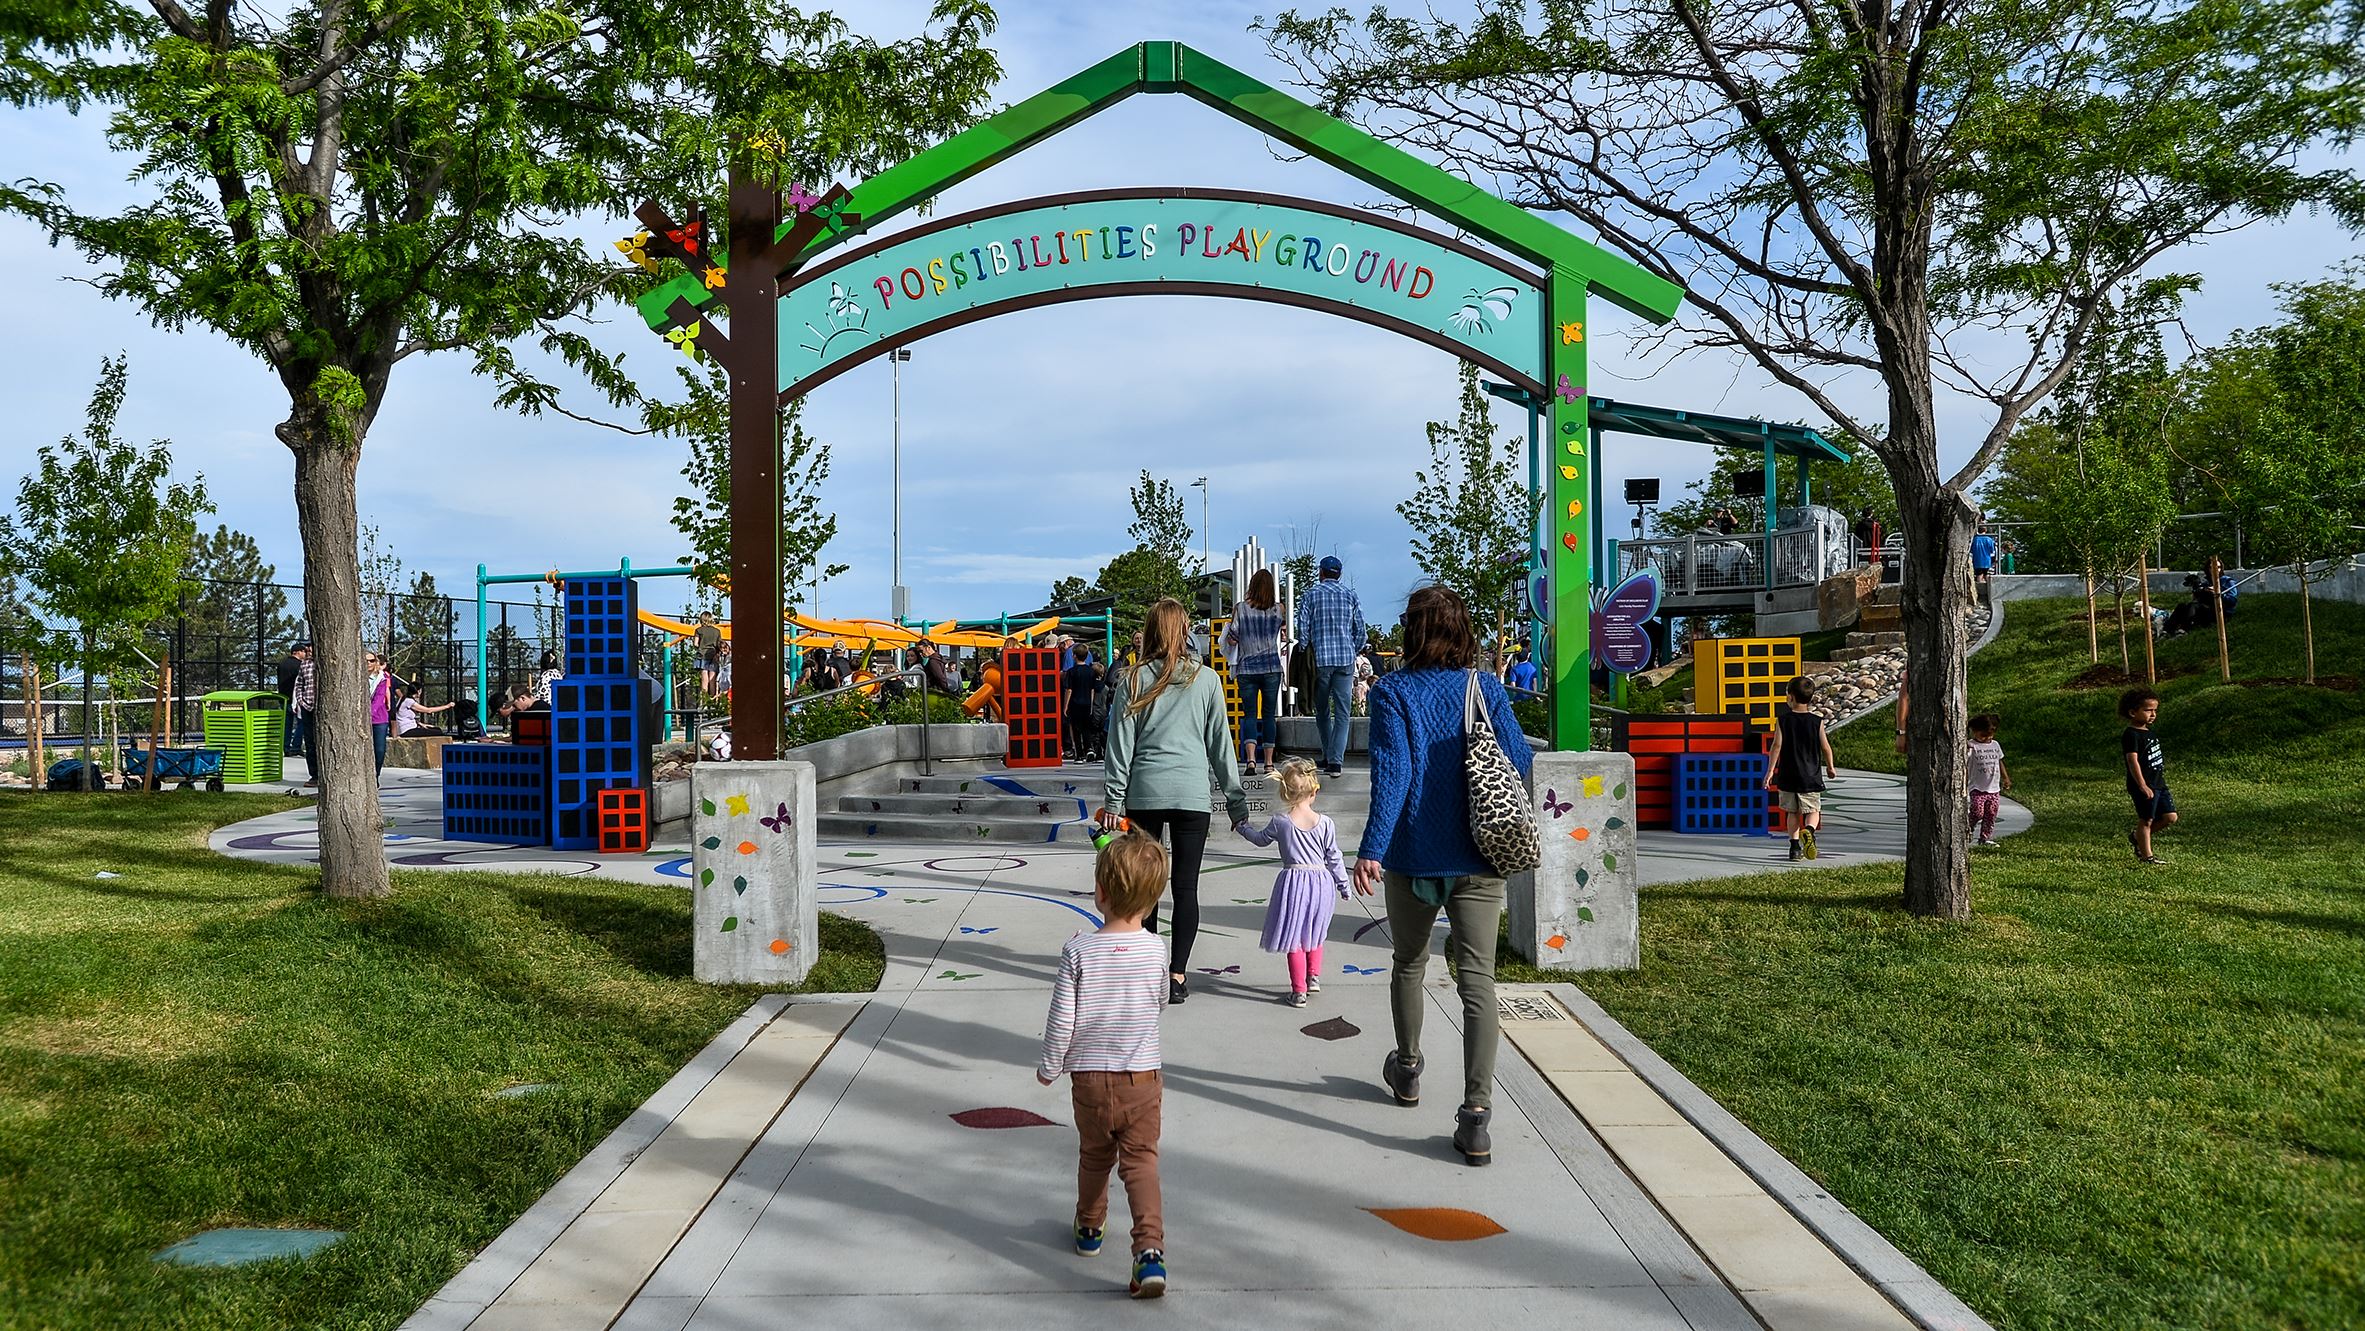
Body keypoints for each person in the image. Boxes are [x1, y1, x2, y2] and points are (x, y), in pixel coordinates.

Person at [1353, 584, 1533, 1167]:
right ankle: (1476, 1117)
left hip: (1413, 855)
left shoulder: (1392, 691)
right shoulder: (1486, 688)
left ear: (1413, 631)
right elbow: (1520, 761)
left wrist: (1372, 847)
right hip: (1480, 855)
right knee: (1477, 981)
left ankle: (1407, 1069)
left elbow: (1395, 773)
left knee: (1410, 963)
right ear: (1461, 632)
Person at [1036, 831, 1170, 1300]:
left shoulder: (1077, 951)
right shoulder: (1156, 949)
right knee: (1141, 1162)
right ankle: (1149, 1250)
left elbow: (1062, 1021)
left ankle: (1090, 1228)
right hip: (1142, 1078)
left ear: (1100, 893)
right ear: (1152, 902)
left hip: (1090, 1081)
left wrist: (1050, 1066)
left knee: (1095, 1155)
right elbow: (1160, 1001)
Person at [1098, 598, 1249, 1006]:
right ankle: (1177, 975)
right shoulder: (1206, 680)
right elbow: (1221, 746)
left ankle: (1145, 968)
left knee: (1143, 888)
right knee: (1186, 887)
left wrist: (1114, 800)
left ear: (1148, 631)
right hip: (1190, 796)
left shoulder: (1131, 680)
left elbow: (1120, 746)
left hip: (1143, 794)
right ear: (1185, 631)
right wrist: (1236, 804)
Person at [1235, 759, 1350, 1007]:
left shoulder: (1281, 822)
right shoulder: (1326, 823)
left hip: (1294, 883)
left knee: (1294, 937)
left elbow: (1260, 840)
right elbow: (1334, 857)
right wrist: (1343, 885)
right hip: (1322, 883)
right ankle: (1314, 977)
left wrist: (1243, 828)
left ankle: (1298, 991)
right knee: (1315, 932)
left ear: (1285, 792)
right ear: (1314, 790)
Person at [1296, 556, 1366, 777]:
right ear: (1340, 574)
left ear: (1321, 572)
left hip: (1320, 660)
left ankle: (1327, 755)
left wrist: (1305, 648)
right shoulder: (1350, 595)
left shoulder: (1311, 594)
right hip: (1345, 659)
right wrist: (1352, 649)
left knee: (1322, 711)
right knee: (1343, 713)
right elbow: (1361, 631)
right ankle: (1336, 761)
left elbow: (1303, 628)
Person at [1221, 568, 1287, 776]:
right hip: (1271, 667)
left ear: (1252, 586)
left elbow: (1232, 638)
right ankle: (1268, 762)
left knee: (1249, 714)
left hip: (1247, 667)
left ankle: (1250, 761)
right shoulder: (1279, 609)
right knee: (1268, 715)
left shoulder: (1241, 608)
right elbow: (1282, 633)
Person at [1761, 674, 1834, 860]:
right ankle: (1809, 831)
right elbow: (1825, 747)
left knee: (1792, 813)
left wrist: (1770, 772)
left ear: (1791, 697)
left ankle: (1794, 848)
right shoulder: (1817, 722)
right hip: (1810, 776)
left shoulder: (1783, 721)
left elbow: (1776, 746)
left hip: (1788, 775)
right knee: (1813, 810)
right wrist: (1830, 767)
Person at [2120, 687, 2174, 865]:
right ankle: (2147, 857)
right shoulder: (2131, 734)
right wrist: (2142, 785)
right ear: (2132, 712)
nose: (2153, 714)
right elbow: (2132, 761)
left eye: (2155, 710)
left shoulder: (2149, 732)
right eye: (2148, 710)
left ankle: (2137, 837)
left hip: (2158, 783)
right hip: (2144, 784)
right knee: (2147, 820)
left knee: (2170, 817)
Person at [1967, 713, 2010, 848]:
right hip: (1977, 787)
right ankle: (1967, 829)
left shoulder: (1995, 745)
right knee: (1977, 812)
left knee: (1991, 814)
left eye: (1990, 735)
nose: (1987, 738)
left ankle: (1985, 838)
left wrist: (2005, 778)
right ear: (1974, 731)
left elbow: (1999, 761)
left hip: (1994, 789)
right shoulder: (1971, 746)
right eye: (1983, 735)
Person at [1062, 647, 1103, 761]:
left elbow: (1069, 690)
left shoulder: (1071, 672)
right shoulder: (1090, 671)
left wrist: (1065, 706)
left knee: (1076, 729)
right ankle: (1089, 748)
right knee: (1086, 728)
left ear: (1074, 656)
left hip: (1074, 703)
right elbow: (1092, 690)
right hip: (1086, 703)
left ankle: (1079, 754)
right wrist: (1090, 704)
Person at [288, 641, 319, 784]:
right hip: (307, 707)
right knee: (310, 742)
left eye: (311, 646)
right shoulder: (304, 664)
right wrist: (300, 700)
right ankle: (314, 775)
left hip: (322, 708)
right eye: (308, 647)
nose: (309, 649)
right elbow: (299, 684)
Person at [366, 651, 392, 775]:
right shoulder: (356, 677)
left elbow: (379, 698)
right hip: (360, 718)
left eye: (372, 660)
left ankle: (375, 775)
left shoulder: (382, 678)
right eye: (366, 660)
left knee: (379, 750)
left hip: (378, 718)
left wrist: (369, 714)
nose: (368, 663)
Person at [274, 645, 301, 755]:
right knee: (301, 723)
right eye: (303, 651)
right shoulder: (299, 665)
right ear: (297, 652)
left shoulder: (282, 664)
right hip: (295, 698)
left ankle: (285, 747)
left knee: (286, 724)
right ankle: (296, 746)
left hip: (283, 697)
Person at [693, 612, 724, 694]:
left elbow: (695, 644)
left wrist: (699, 647)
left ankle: (704, 700)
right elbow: (719, 644)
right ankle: (712, 699)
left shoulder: (699, 630)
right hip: (714, 655)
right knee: (712, 678)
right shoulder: (717, 631)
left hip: (703, 654)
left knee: (704, 677)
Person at [1970, 524, 1998, 600]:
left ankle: (1979, 593)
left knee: (1979, 575)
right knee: (1986, 575)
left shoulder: (1974, 539)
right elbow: (1992, 550)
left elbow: (1971, 550)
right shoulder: (1989, 539)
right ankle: (1990, 591)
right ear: (1985, 530)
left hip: (1977, 560)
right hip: (1986, 560)